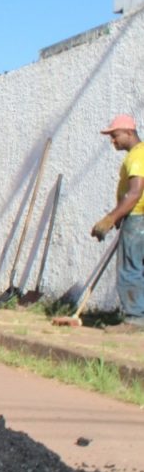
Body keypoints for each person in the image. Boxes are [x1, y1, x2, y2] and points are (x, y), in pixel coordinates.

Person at [91, 113, 144, 330]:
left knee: (129, 267)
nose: (112, 140)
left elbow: (134, 193)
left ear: (129, 133)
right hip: (136, 217)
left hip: (137, 218)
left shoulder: (137, 156)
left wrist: (111, 218)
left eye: (115, 135)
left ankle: (134, 319)